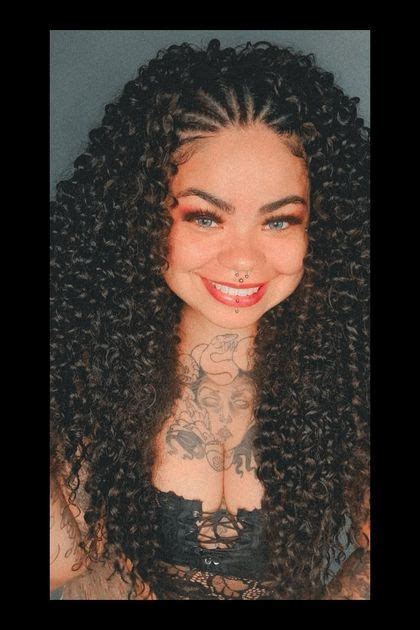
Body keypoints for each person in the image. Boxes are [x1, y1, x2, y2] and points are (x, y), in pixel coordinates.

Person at [50, 38, 370, 600]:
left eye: (279, 221)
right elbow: (59, 560)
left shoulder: (350, 374)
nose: (243, 259)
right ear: (141, 212)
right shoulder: (85, 362)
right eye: (205, 217)